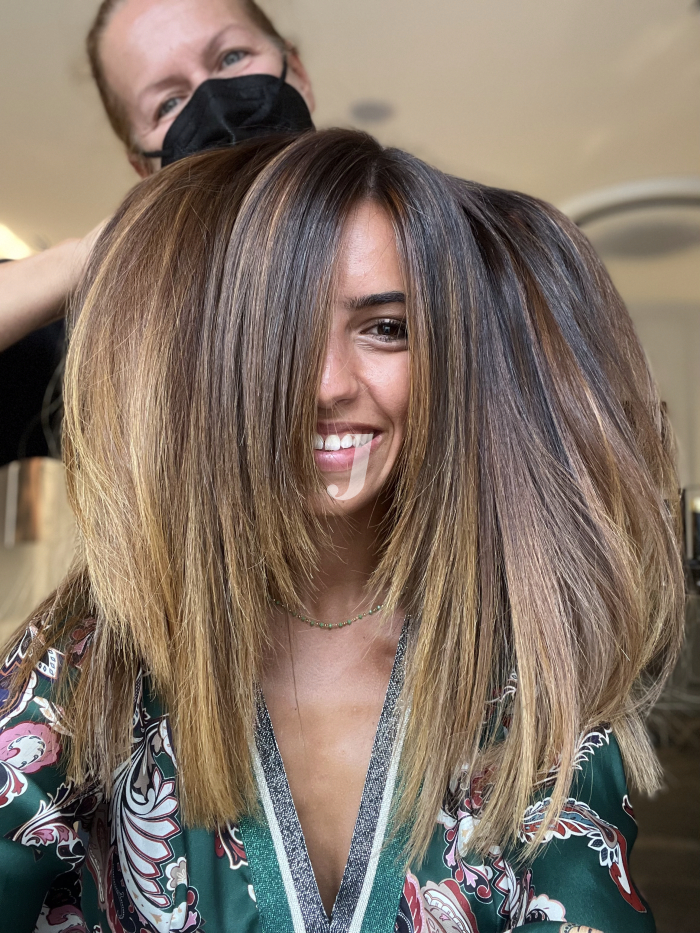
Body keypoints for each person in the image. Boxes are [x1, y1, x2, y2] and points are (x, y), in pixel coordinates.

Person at [0, 130, 684, 933]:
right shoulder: (94, 662)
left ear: (446, 354)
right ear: (226, 357)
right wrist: (94, 253)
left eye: (385, 327)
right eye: (284, 333)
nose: (326, 383)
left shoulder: (523, 677)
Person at [0, 0, 315, 464]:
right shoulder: (110, 347)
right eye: (168, 103)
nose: (213, 100)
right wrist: (89, 254)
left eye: (232, 57)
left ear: (298, 70)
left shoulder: (427, 241)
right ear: (144, 167)